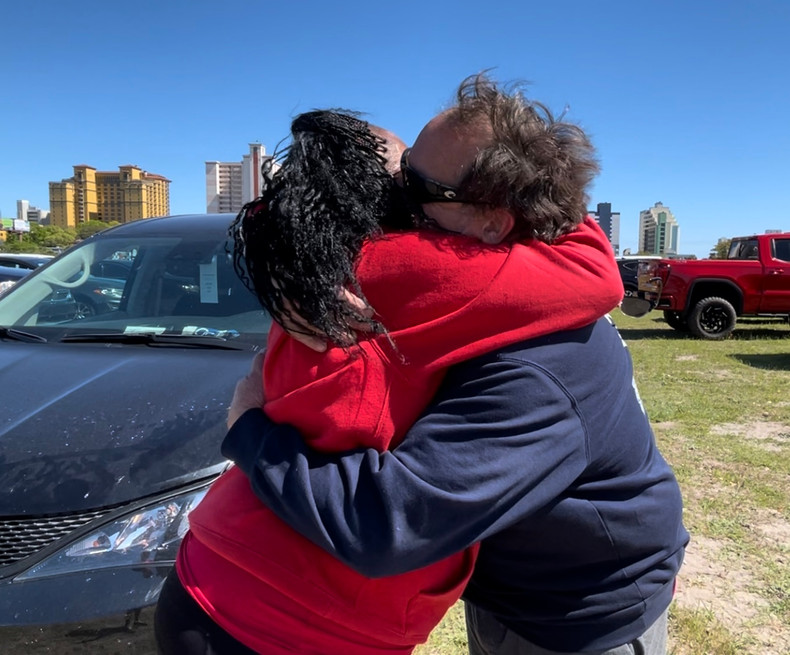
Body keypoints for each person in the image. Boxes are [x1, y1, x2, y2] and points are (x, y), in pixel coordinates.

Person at [221, 74, 689, 654]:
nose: (394, 198)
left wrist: (249, 431)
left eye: (414, 187)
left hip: (576, 614)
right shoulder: (514, 275)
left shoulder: (540, 370)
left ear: (493, 221)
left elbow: (388, 520)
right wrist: (291, 269)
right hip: (509, 582)